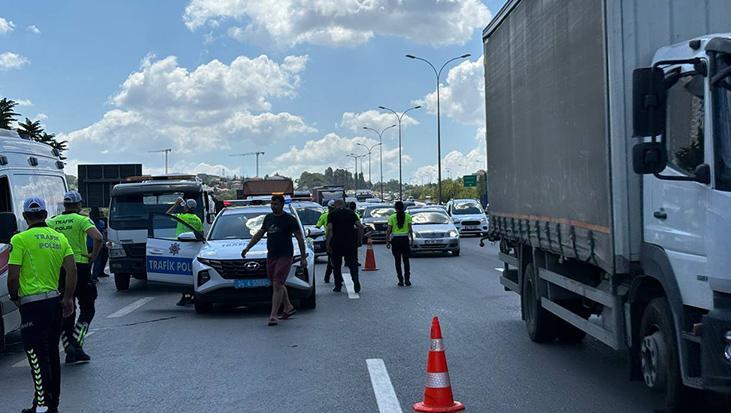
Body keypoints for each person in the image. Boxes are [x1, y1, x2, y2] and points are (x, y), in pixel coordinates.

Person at [8, 197, 77, 413]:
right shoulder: (59, 238)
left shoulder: (20, 239)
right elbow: (72, 270)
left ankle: (41, 405)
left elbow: (13, 276)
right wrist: (67, 298)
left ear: (25, 216)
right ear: (45, 215)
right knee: (53, 356)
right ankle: (52, 403)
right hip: (54, 303)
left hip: (32, 306)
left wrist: (15, 297)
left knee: (36, 358)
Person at [47, 191, 103, 364]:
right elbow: (98, 237)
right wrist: (93, 255)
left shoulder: (51, 221)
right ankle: (76, 344)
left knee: (66, 307)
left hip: (59, 269)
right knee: (88, 307)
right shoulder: (82, 220)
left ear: (64, 205)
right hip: (79, 266)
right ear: (79, 205)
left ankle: (69, 347)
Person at [241, 194, 307, 326]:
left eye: (276, 204)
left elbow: (300, 238)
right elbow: (260, 233)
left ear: (282, 205)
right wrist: (248, 247)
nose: (273, 206)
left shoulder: (290, 219)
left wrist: (303, 257)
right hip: (271, 255)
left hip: (285, 255)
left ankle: (273, 315)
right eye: (272, 204)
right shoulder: (269, 218)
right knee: (277, 283)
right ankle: (288, 307)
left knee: (277, 284)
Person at [166, 198, 204, 306]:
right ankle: (191, 295)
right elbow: (201, 234)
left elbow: (167, 214)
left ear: (186, 207)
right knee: (191, 272)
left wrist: (176, 204)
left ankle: (185, 296)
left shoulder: (182, 217)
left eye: (184, 206)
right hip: (193, 248)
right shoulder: (197, 219)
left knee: (181, 273)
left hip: (181, 248)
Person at [326, 199, 362, 293]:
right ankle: (356, 281)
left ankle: (338, 286)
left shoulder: (332, 214)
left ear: (335, 206)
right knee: (353, 264)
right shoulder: (351, 213)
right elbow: (360, 226)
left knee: (336, 266)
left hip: (336, 243)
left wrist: (328, 243)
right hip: (350, 243)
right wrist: (359, 240)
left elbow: (329, 229)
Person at [386, 200, 413, 286]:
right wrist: (411, 239)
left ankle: (400, 280)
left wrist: (387, 241)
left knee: (397, 261)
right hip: (405, 239)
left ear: (395, 208)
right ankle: (407, 280)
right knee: (406, 260)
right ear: (403, 208)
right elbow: (410, 230)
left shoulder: (392, 217)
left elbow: (388, 231)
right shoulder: (408, 216)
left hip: (396, 241)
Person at [315, 200, 335, 283]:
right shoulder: (325, 216)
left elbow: (318, 226)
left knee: (333, 259)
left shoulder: (325, 215)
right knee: (333, 259)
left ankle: (328, 277)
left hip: (332, 240)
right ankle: (330, 277)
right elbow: (317, 227)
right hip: (331, 240)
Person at [88, 207, 108, 282]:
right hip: (96, 244)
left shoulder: (87, 222)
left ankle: (88, 276)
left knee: (89, 262)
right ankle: (94, 276)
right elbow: (102, 233)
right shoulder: (101, 223)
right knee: (97, 261)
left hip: (87, 244)